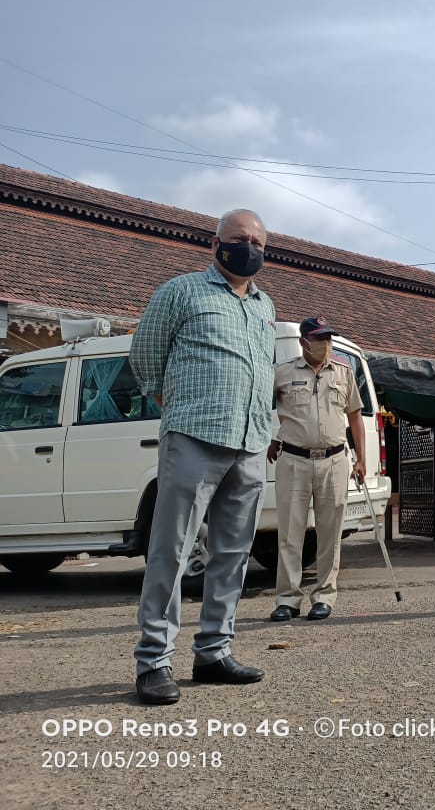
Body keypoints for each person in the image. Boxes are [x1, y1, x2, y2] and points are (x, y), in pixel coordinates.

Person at [129, 208, 276, 705]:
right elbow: (145, 355)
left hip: (250, 441)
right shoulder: (182, 291)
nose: (249, 248)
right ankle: (154, 660)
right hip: (194, 435)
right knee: (171, 549)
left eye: (257, 242)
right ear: (215, 244)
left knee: (233, 552)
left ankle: (214, 651)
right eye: (239, 238)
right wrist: (175, 404)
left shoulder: (265, 305)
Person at [267, 317, 366, 622]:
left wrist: (361, 459)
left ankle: (324, 596)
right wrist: (271, 438)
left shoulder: (343, 372)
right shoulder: (282, 373)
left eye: (328, 338)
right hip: (293, 459)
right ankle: (287, 599)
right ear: (303, 342)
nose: (325, 344)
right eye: (318, 339)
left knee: (330, 533)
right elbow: (261, 409)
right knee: (290, 533)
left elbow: (355, 417)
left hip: (334, 461)